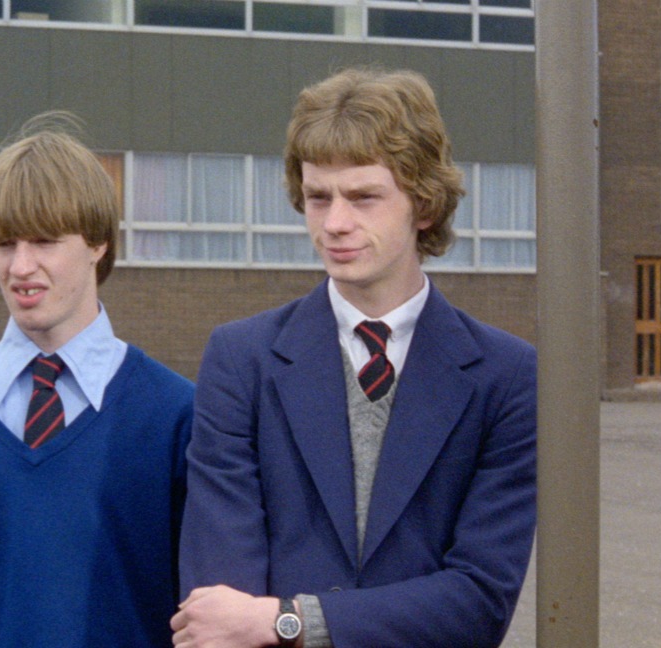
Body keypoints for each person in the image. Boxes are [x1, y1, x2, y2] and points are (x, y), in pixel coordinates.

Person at [171, 68, 537, 648]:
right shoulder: (241, 360)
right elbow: (219, 609)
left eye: (364, 196)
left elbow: (479, 601)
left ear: (423, 203)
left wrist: (284, 622)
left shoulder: (507, 377)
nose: (335, 223)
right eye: (318, 198)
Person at [0, 114, 195, 647]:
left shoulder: (177, 416)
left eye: (45, 241)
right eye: (4, 244)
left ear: (98, 243)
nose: (21, 267)